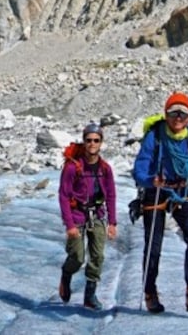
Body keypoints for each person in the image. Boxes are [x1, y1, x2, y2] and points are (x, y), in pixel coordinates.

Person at [132, 91, 188, 313]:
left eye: (183, 113)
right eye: (173, 112)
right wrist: (151, 180)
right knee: (153, 246)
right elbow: (139, 168)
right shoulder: (155, 136)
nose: (178, 117)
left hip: (181, 191)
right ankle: (150, 292)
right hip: (156, 191)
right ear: (166, 114)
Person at [58, 123, 117, 310]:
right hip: (77, 216)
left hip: (97, 215)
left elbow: (111, 194)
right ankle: (66, 275)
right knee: (77, 257)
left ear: (101, 143)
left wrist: (112, 222)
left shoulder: (105, 169)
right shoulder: (72, 167)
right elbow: (63, 195)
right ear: (83, 141)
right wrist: (69, 225)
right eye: (88, 140)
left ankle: (90, 296)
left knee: (97, 256)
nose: (92, 144)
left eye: (96, 140)